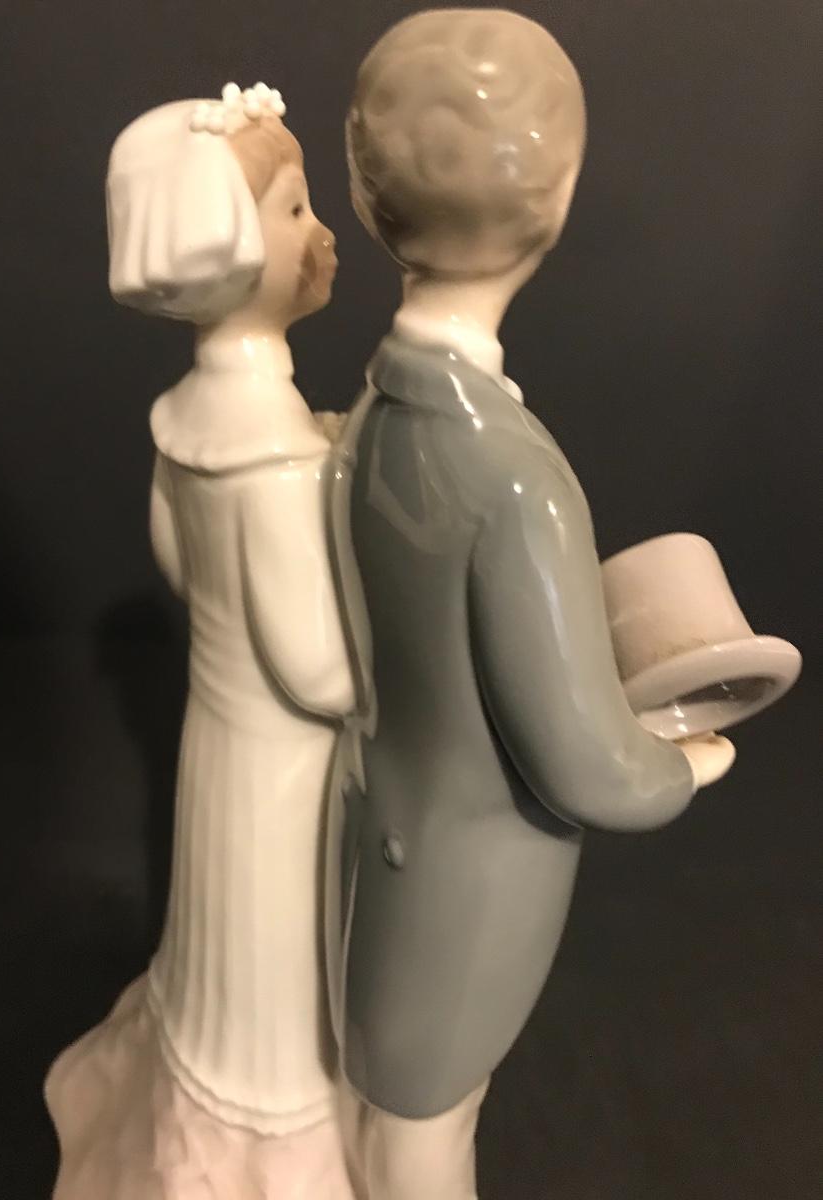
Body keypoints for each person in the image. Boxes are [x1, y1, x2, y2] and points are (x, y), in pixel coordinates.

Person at [327, 13, 736, 1199]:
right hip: (475, 875)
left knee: (391, 1104)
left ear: (365, 197)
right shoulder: (516, 480)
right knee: (430, 1128)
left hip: (380, 828)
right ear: (553, 205)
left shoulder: (373, 414)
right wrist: (682, 763)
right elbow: (583, 762)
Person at [45, 84, 355, 1199]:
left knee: (211, 950)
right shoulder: (278, 461)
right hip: (285, 773)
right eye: (295, 208)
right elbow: (321, 673)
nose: (322, 234)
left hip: (213, 744)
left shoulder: (184, 422)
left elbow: (178, 566)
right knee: (270, 963)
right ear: (226, 248)